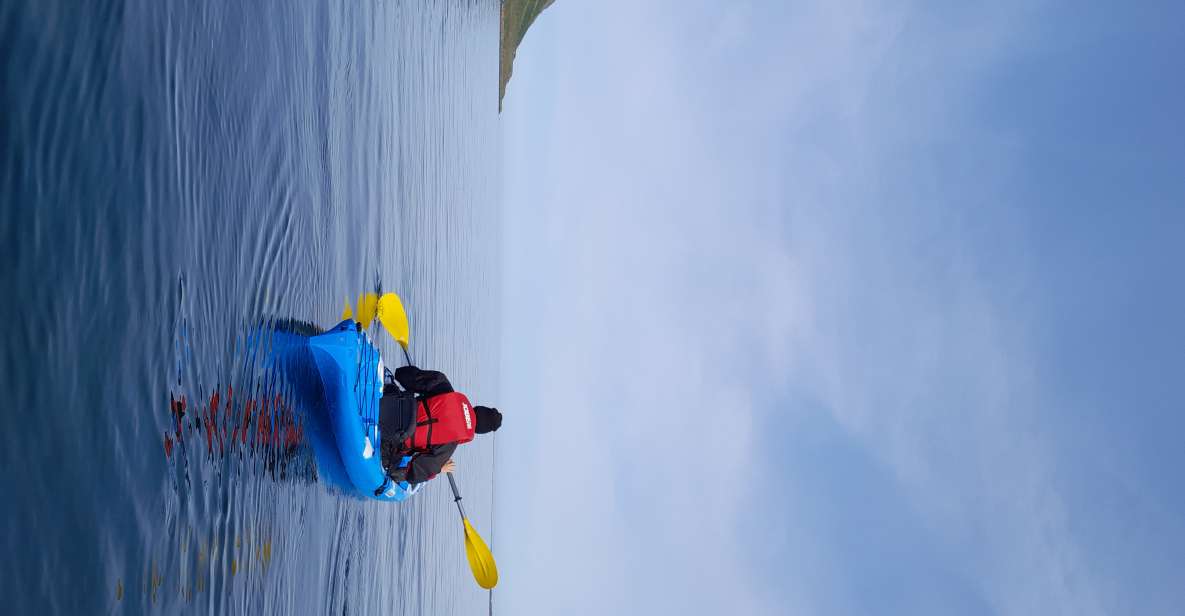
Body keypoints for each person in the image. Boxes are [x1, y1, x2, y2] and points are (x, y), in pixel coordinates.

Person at [376, 365, 502, 489]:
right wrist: (439, 469)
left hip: (389, 402)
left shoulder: (443, 385)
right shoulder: (449, 444)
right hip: (389, 442)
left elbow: (402, 375)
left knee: (393, 386)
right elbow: (414, 473)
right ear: (479, 430)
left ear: (477, 408)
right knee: (392, 471)